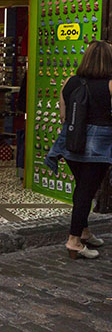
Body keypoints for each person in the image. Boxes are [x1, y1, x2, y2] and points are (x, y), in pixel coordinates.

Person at [46, 40, 112, 260]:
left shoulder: (70, 82)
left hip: (71, 144)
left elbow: (64, 116)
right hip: (98, 146)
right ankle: (74, 240)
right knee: (86, 191)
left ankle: (83, 231)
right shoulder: (110, 85)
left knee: (82, 188)